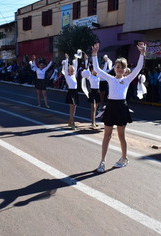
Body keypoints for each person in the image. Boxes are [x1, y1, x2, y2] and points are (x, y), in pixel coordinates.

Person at [91, 42, 146, 173]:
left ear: (125, 69)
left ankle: (124, 158)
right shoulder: (110, 79)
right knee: (107, 136)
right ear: (114, 68)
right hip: (111, 107)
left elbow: (138, 68)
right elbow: (97, 70)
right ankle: (102, 161)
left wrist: (142, 53)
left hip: (121, 107)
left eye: (122, 67)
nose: (120, 69)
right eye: (118, 66)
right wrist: (94, 55)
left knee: (122, 136)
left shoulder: (127, 79)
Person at [82, 53, 100, 128]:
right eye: (94, 70)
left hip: (98, 92)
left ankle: (94, 121)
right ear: (92, 70)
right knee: (93, 108)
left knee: (96, 108)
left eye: (96, 70)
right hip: (92, 92)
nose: (95, 71)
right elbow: (87, 68)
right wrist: (86, 60)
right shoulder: (90, 76)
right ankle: (92, 122)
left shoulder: (98, 75)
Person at [62, 52, 79, 130]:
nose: (72, 72)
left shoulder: (74, 76)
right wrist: (67, 59)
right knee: (71, 107)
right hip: (71, 92)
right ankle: (73, 123)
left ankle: (70, 121)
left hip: (75, 92)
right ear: (68, 71)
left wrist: (76, 59)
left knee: (74, 108)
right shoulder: (67, 76)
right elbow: (65, 68)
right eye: (70, 71)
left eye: (72, 71)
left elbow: (76, 66)